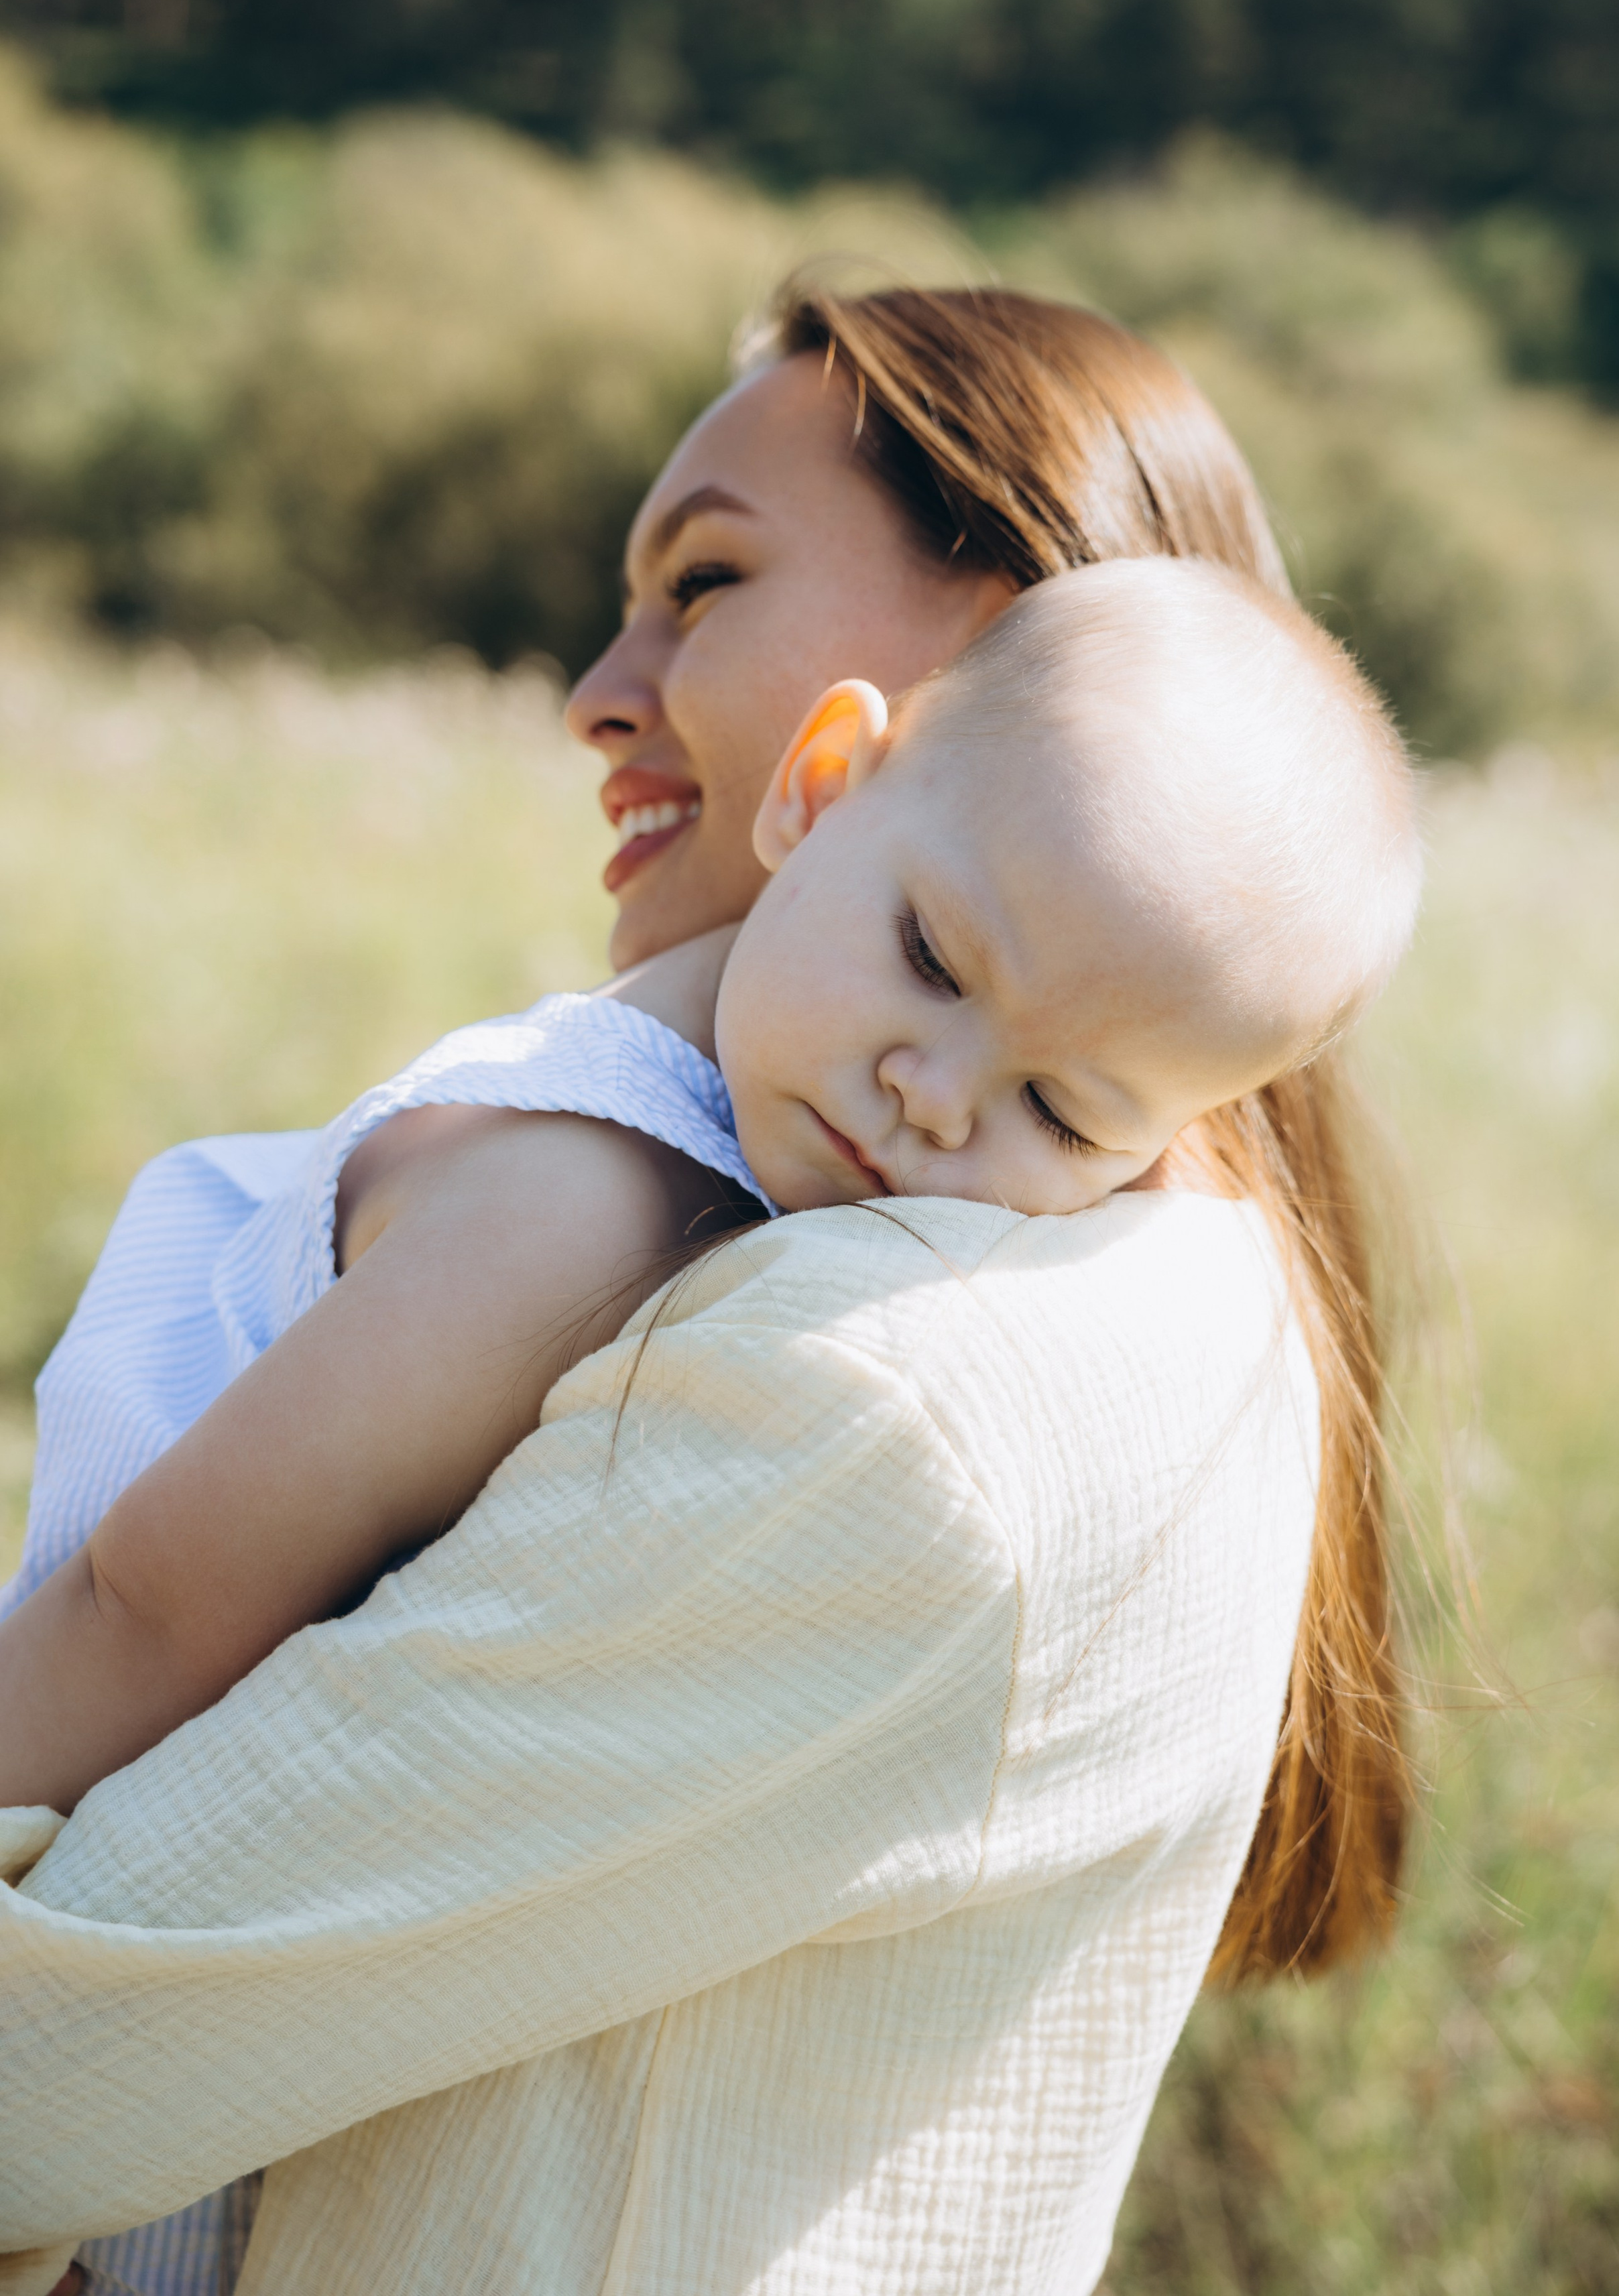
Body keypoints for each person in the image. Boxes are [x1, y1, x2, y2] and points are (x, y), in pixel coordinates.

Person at [0, 289, 1413, 2296]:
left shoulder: (827, 1357)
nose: (599, 688)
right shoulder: (1099, 1251)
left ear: (983, 634)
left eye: (706, 583)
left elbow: (65, 2040)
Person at [0, 557, 1419, 1820]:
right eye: (930, 957)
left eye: (1055, 1111)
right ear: (815, 791)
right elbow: (146, 1609)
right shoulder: (579, 1216)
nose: (930, 1096)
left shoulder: (791, 1092)